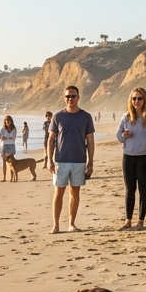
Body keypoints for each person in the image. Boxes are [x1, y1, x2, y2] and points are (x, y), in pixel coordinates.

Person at [47, 86, 95, 233]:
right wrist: (49, 160)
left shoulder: (85, 117)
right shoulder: (58, 116)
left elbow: (90, 141)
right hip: (61, 160)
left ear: (78, 97)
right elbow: (51, 139)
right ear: (64, 98)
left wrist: (90, 161)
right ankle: (56, 225)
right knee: (58, 192)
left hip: (79, 160)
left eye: (73, 96)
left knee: (75, 192)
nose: (70, 99)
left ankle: (71, 224)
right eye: (68, 96)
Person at [116, 87, 146, 230]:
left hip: (145, 157)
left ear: (145, 99)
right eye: (134, 98)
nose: (136, 101)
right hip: (128, 157)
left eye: (139, 98)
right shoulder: (126, 117)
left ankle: (140, 221)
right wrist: (124, 135)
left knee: (143, 189)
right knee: (130, 189)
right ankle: (128, 220)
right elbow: (118, 137)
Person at [0, 115, 18, 180]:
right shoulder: (2, 128)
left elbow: (14, 137)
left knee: (11, 162)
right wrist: (3, 138)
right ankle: (4, 177)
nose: (8, 122)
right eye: (7, 120)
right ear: (5, 121)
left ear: (11, 121)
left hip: (11, 145)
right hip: (4, 145)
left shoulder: (14, 128)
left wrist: (9, 138)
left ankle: (11, 177)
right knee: (4, 161)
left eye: (9, 120)